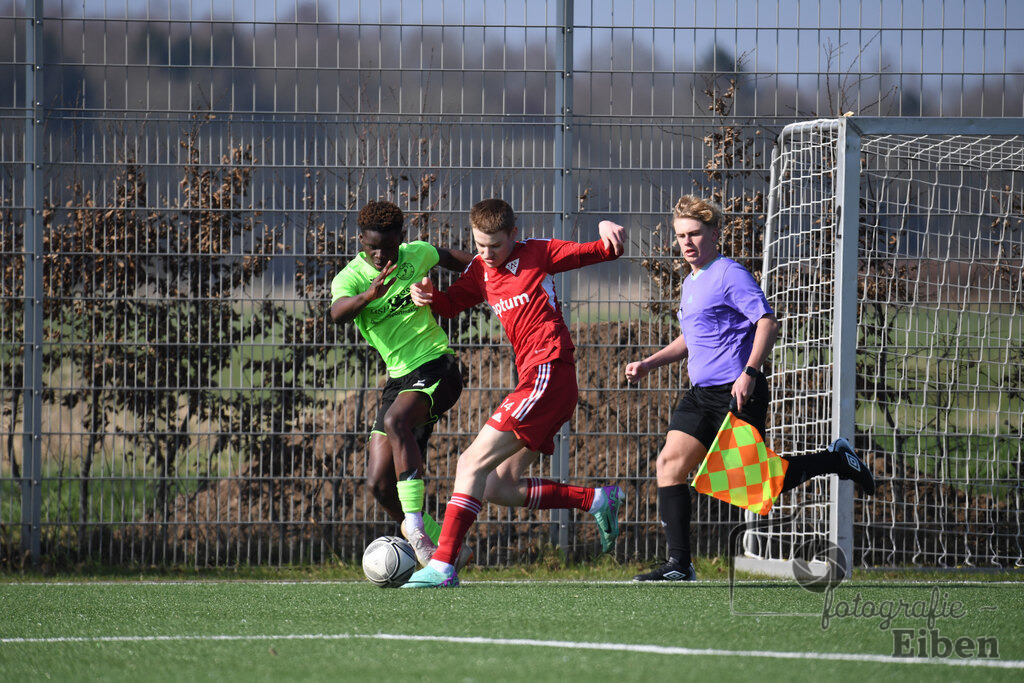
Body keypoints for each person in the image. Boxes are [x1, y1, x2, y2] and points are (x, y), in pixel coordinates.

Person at [624, 195, 875, 582]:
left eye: (694, 234)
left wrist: (749, 372)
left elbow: (767, 323)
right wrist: (648, 363)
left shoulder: (729, 273)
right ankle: (680, 566)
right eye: (680, 236)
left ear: (715, 233)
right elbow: (691, 338)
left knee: (752, 485)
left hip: (738, 391)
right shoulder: (691, 282)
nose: (687, 243)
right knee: (669, 466)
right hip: (700, 394)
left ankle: (836, 460)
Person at [400, 198, 627, 588]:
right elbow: (452, 305)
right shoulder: (480, 270)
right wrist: (429, 297)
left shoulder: (538, 253)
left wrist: (609, 230)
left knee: (470, 462)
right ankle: (595, 500)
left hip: (549, 370)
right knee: (494, 485)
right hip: (540, 381)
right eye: (479, 244)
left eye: (496, 245)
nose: (487, 254)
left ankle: (442, 565)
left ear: (514, 235)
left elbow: (601, 251)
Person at [329, 199, 474, 568]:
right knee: (378, 482)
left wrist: (489, 268)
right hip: (400, 379)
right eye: (372, 246)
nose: (380, 254)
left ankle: (416, 533)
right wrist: (368, 296)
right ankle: (444, 543)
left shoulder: (416, 255)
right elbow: (336, 314)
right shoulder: (352, 278)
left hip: (438, 366)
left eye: (388, 246)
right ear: (360, 238)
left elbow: (454, 258)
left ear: (401, 239)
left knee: (396, 423)